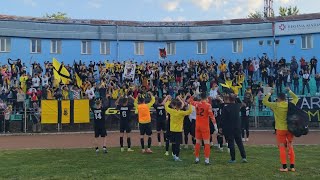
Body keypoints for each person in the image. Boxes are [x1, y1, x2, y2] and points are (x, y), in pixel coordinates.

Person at [262, 87, 298, 172]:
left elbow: (264, 101)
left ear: (278, 98)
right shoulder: (290, 104)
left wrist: (270, 93)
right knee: (290, 146)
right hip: (290, 128)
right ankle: (292, 167)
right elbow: (296, 98)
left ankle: (284, 167)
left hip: (280, 129)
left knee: (282, 147)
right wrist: (289, 90)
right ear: (285, 98)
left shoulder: (276, 105)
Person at [189, 92, 217, 165]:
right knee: (206, 143)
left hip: (197, 125)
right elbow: (211, 116)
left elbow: (190, 101)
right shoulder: (208, 105)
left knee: (197, 142)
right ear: (206, 97)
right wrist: (215, 125)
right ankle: (206, 160)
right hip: (205, 126)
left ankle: (197, 158)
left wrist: (193, 95)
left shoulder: (197, 104)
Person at [164, 95, 192, 162]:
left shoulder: (172, 111)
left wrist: (168, 100)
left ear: (176, 106)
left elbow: (166, 107)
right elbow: (189, 111)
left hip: (172, 129)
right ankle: (177, 156)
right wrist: (190, 104)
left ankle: (173, 154)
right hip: (178, 131)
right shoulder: (181, 113)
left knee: (173, 143)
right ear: (180, 107)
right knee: (178, 144)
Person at [222, 94, 247, 163]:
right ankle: (244, 157)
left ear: (229, 99)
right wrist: (237, 97)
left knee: (231, 143)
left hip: (229, 128)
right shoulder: (237, 106)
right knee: (240, 143)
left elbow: (223, 119)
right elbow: (243, 104)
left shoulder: (226, 108)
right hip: (237, 127)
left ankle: (233, 159)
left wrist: (221, 127)